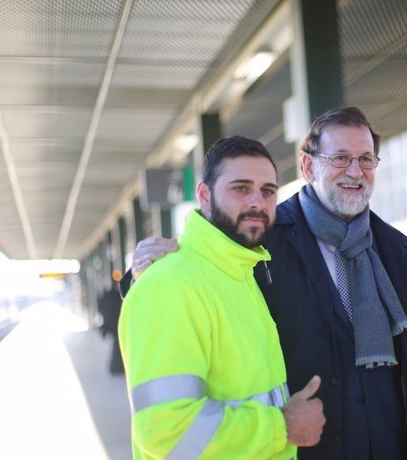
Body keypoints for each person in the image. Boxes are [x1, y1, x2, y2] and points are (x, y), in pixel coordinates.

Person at [123, 107, 407, 459]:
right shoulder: (259, 239)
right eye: (340, 158)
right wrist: (141, 276)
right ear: (308, 166)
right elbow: (200, 268)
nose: (355, 171)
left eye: (365, 159)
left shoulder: (399, 252)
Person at [118, 136, 325, 459]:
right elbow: (167, 432)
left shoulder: (241, 273)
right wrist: (282, 427)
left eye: (268, 191)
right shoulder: (172, 284)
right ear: (204, 195)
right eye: (241, 188)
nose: (257, 201)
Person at [97, 272, 124, 375]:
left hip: (113, 323)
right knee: (117, 344)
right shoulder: (116, 295)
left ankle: (116, 366)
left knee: (117, 344)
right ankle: (116, 367)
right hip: (115, 323)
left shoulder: (109, 295)